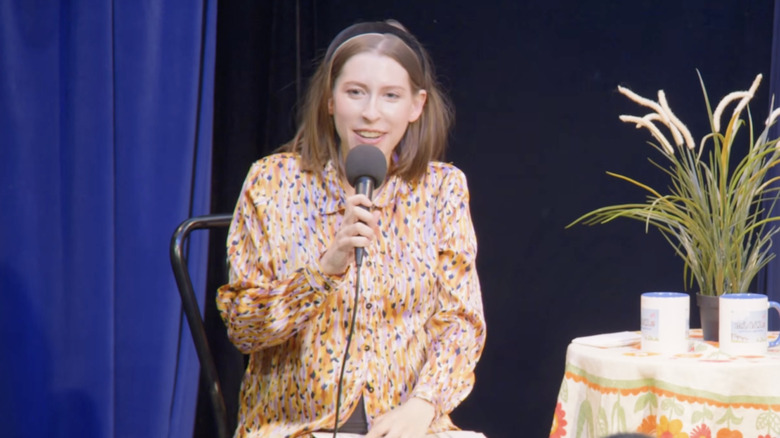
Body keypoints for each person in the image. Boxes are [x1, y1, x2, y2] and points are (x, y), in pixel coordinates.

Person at [217, 19, 486, 438]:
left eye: (391, 96)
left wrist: (423, 404)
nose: (371, 113)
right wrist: (324, 270)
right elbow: (243, 326)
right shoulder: (273, 182)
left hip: (409, 425)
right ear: (330, 99)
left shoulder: (441, 189)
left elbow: (461, 323)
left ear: (416, 106)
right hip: (296, 427)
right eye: (355, 92)